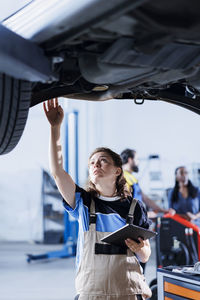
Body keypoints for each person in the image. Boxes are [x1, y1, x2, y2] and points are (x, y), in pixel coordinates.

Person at [43, 98, 152, 300]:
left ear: (118, 170)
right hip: (90, 294)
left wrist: (140, 248)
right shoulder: (83, 203)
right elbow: (57, 172)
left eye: (103, 161)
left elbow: (146, 255)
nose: (96, 165)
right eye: (92, 162)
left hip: (128, 293)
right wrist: (55, 128)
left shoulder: (135, 207)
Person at [120, 148, 174, 217]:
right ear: (130, 160)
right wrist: (146, 215)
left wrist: (162, 210)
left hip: (136, 219)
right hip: (130, 221)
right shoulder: (122, 177)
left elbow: (145, 198)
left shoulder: (132, 178)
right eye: (137, 159)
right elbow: (125, 205)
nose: (138, 162)